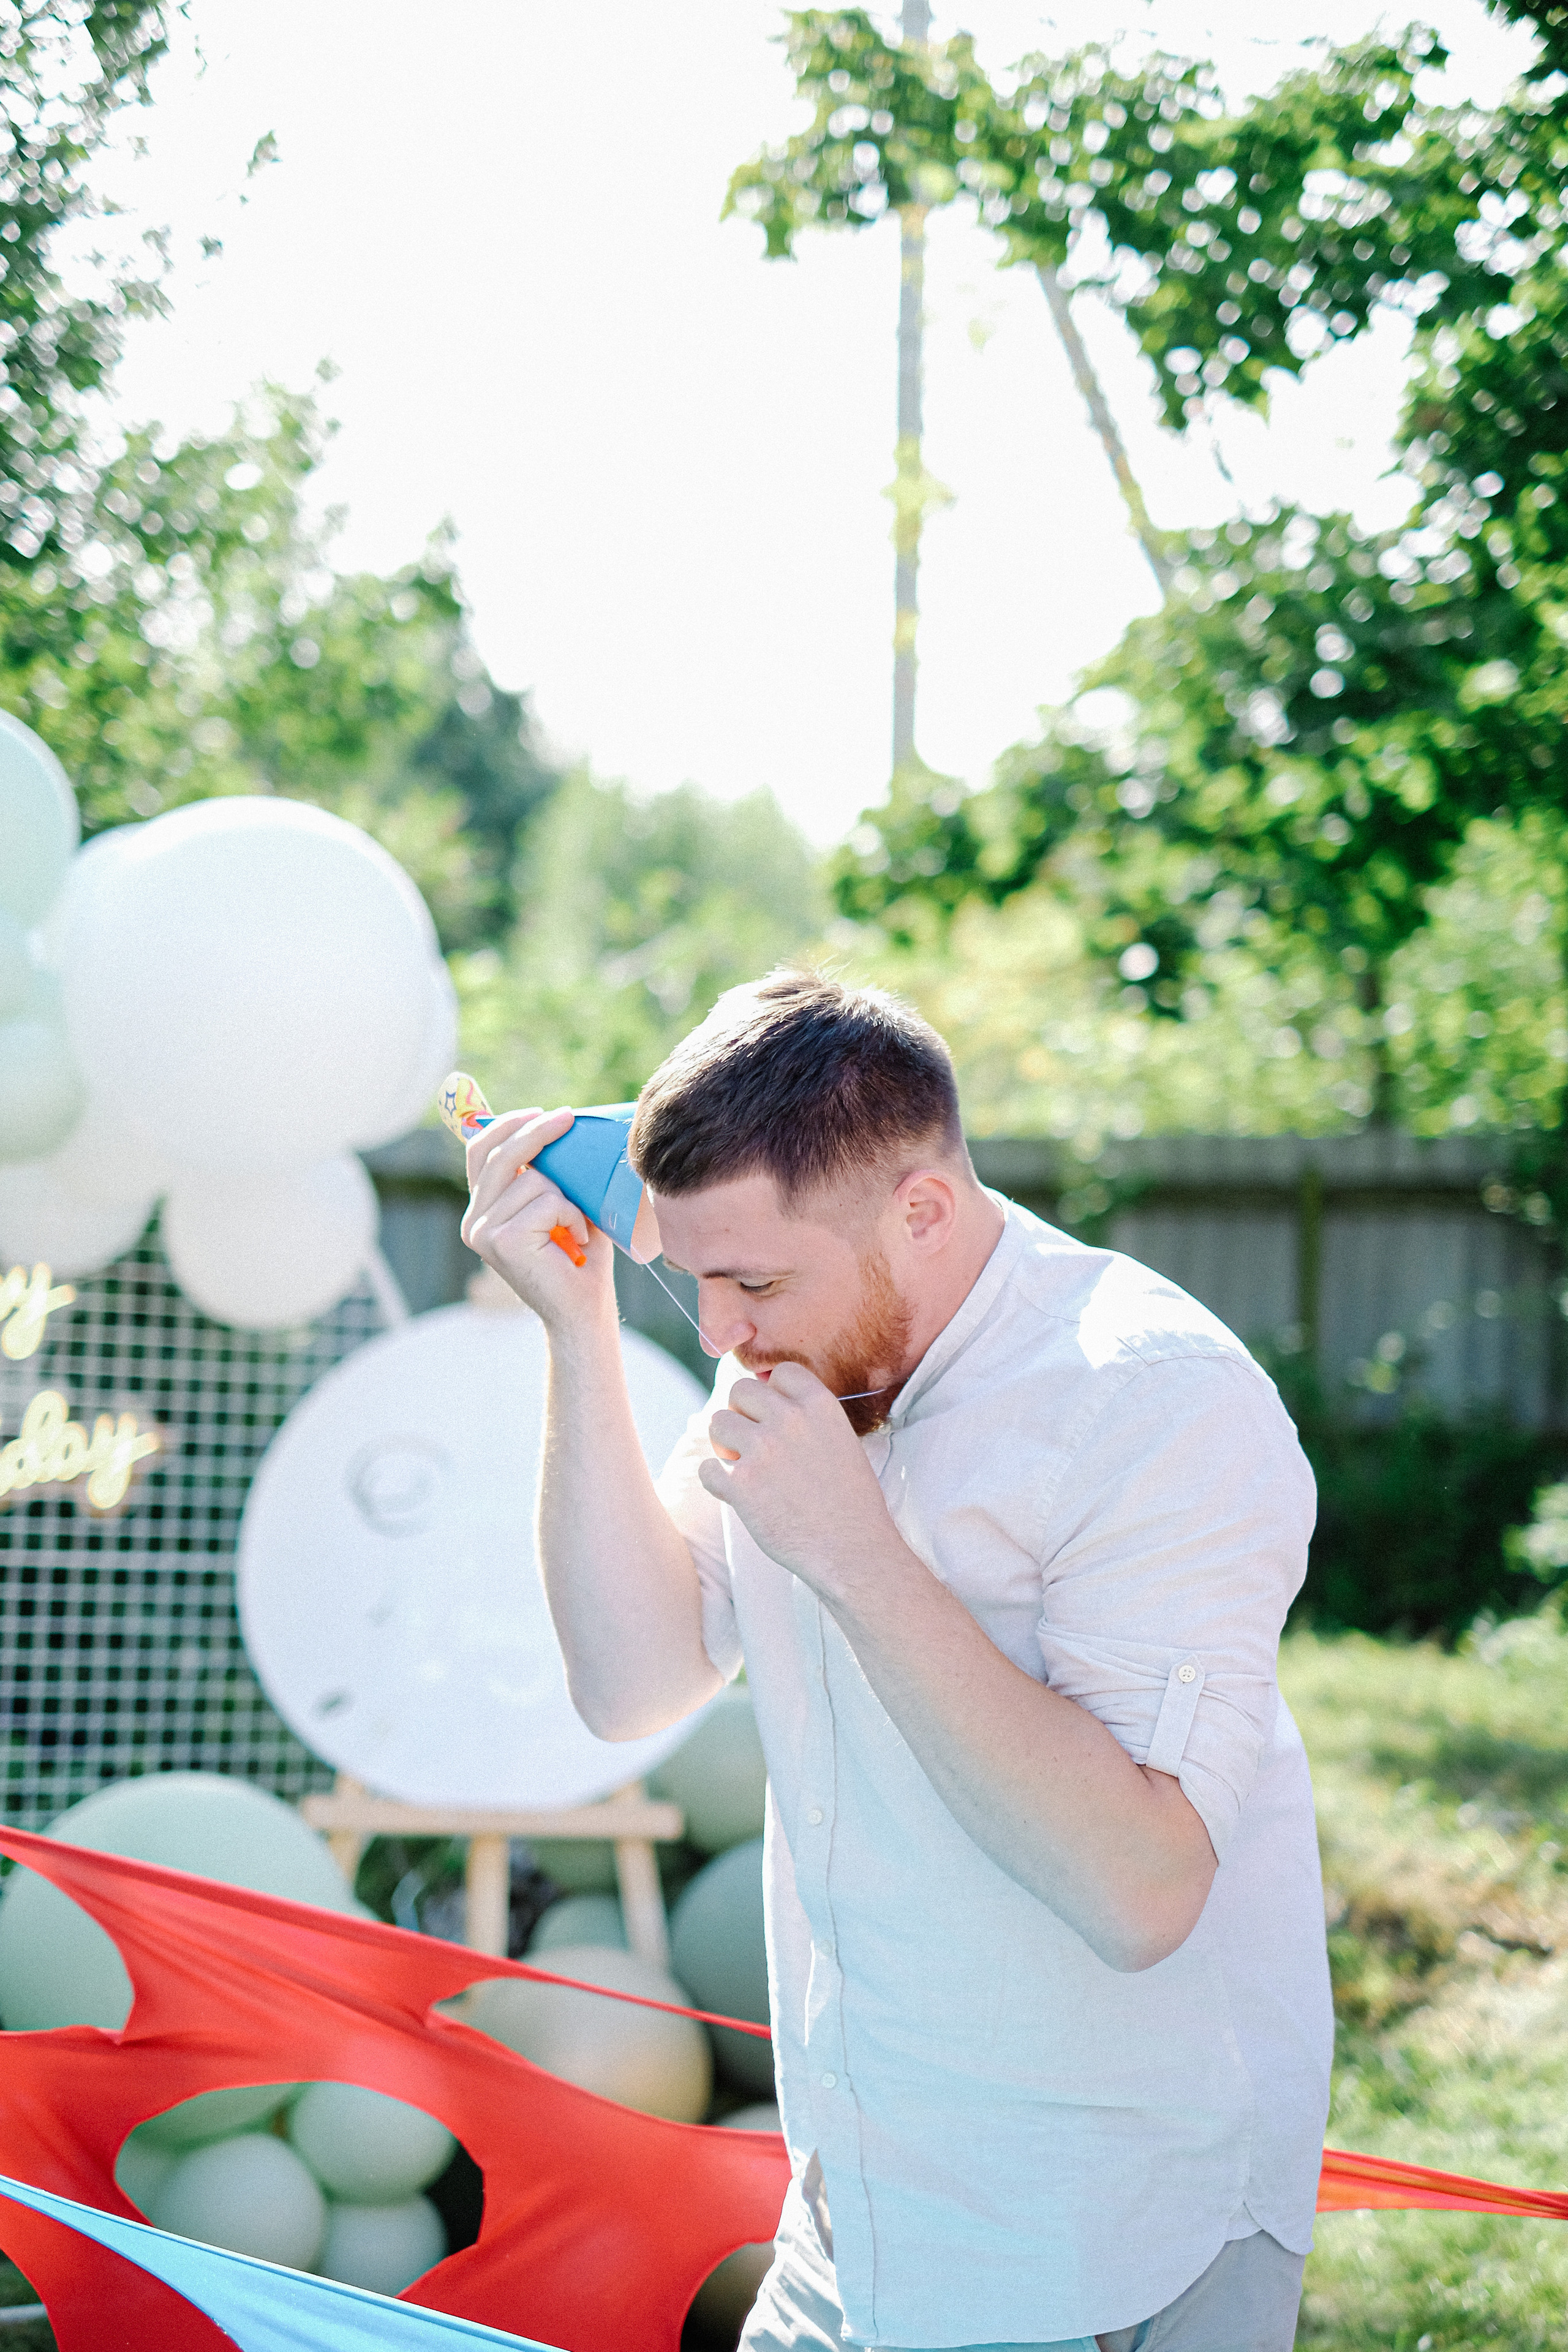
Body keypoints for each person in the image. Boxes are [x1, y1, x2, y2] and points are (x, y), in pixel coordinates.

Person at [460, 970, 1333, 2352]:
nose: (721, 1333)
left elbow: (1140, 1889)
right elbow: (630, 1684)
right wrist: (579, 1334)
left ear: (919, 1210)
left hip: (1102, 2230)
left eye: (751, 1281)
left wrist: (855, 1556)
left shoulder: (1154, 1400)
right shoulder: (804, 1354)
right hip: (854, 2207)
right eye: (690, 1283)